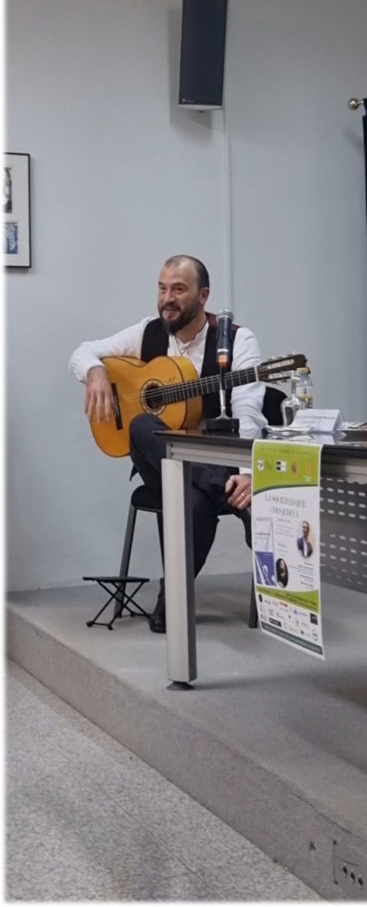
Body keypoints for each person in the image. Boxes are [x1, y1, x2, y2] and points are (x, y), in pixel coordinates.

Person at [69, 254, 266, 633]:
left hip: (218, 458)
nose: (167, 298)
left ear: (203, 295)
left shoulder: (236, 339)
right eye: (162, 288)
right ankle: (225, 494)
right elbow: (83, 350)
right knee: (143, 424)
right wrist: (95, 371)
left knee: (192, 500)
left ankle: (172, 596)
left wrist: (246, 472)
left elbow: (249, 412)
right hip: (161, 461)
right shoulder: (148, 332)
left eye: (178, 289)